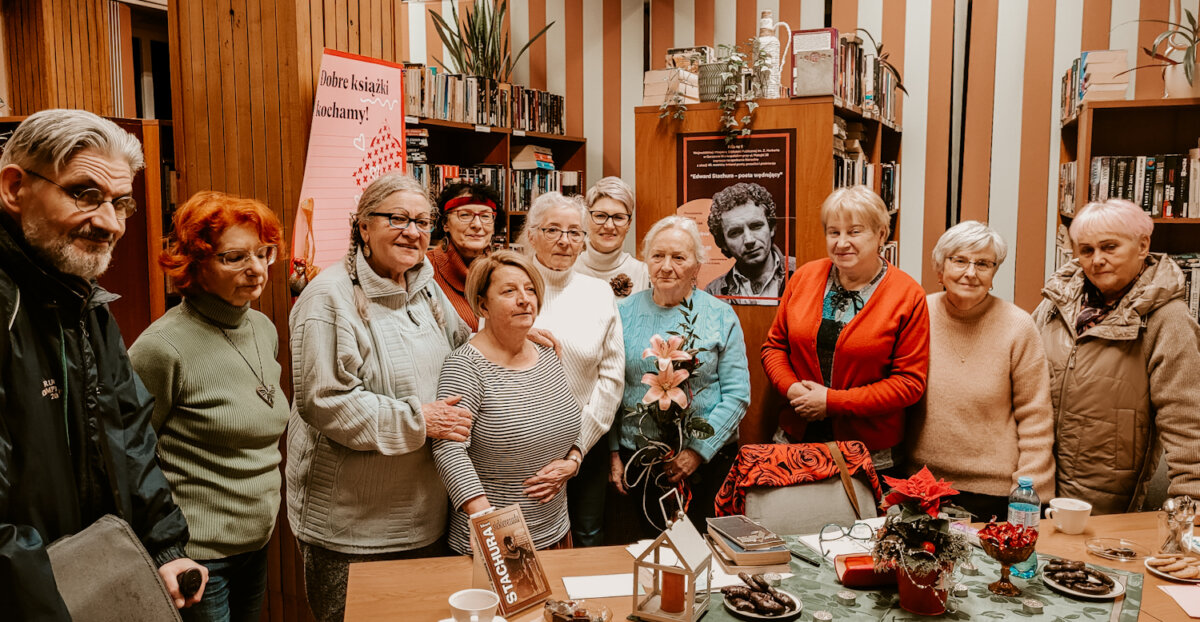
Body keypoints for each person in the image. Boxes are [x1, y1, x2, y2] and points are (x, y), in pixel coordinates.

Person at [0, 109, 207, 616]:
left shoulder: (83, 302)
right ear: (13, 188)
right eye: (84, 194)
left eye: (120, 202)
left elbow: (130, 435)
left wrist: (164, 547)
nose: (110, 223)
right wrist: (53, 603)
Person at [287, 172, 473, 622]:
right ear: (363, 226)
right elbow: (326, 401)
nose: (412, 231)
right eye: (397, 218)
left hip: (424, 513)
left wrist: (513, 340)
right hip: (353, 529)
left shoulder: (425, 285)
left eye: (422, 221)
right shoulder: (328, 298)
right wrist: (419, 420)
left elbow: (465, 348)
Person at [128, 191, 290, 621]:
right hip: (196, 554)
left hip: (255, 541)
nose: (255, 270)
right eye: (234, 258)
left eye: (263, 253)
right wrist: (167, 549)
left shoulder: (261, 327)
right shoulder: (161, 348)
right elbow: (130, 454)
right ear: (196, 263)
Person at [1033, 199, 1200, 514]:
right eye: (1086, 250)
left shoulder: (1169, 319)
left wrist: (1191, 509)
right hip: (1038, 483)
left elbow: (1186, 421)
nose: (1097, 260)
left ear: (1142, 245)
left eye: (1110, 247)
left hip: (1104, 500)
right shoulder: (1057, 302)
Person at [761, 185, 928, 478]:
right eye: (834, 232)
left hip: (869, 455)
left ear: (881, 235)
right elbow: (774, 347)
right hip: (795, 441)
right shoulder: (804, 277)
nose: (841, 243)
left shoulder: (908, 295)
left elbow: (908, 383)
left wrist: (832, 402)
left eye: (854, 232)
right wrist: (792, 389)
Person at [432, 251, 582, 553]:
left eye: (530, 290)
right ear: (483, 304)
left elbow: (568, 419)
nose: (524, 299)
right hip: (495, 542)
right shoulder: (465, 366)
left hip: (555, 529)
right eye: (509, 291)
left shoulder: (548, 353)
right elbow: (448, 448)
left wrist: (573, 461)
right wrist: (485, 518)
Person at [610, 216, 750, 535]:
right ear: (646, 261)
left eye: (679, 257)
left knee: (701, 557)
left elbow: (738, 395)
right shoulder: (623, 312)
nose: (666, 266)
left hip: (704, 464)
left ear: (697, 266)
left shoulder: (719, 315)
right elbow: (611, 388)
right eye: (657, 256)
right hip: (638, 461)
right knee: (638, 555)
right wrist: (614, 452)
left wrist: (697, 452)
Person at [905, 221, 1054, 520]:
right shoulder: (915, 314)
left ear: (994, 273)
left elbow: (1035, 416)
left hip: (993, 493)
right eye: (959, 260)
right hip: (920, 484)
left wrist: (1028, 494)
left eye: (983, 264)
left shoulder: (1018, 326)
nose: (970, 273)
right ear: (940, 268)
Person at [517, 192, 624, 547]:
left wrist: (577, 449)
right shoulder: (511, 288)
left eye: (575, 232)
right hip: (523, 445)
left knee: (587, 536)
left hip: (585, 446)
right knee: (527, 540)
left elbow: (610, 379)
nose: (565, 241)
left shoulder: (599, 293)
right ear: (531, 234)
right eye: (552, 230)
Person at [427, 182, 504, 331]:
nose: (477, 224)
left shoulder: (505, 269)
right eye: (465, 215)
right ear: (445, 224)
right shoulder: (425, 269)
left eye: (486, 216)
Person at [704, 181, 796, 304]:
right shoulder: (713, 292)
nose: (749, 240)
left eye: (756, 226)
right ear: (723, 243)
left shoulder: (802, 272)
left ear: (771, 227)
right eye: (735, 232)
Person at [574, 176, 649, 298]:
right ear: (586, 218)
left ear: (629, 224)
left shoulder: (644, 274)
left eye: (618, 217)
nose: (609, 226)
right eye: (600, 216)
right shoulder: (568, 271)